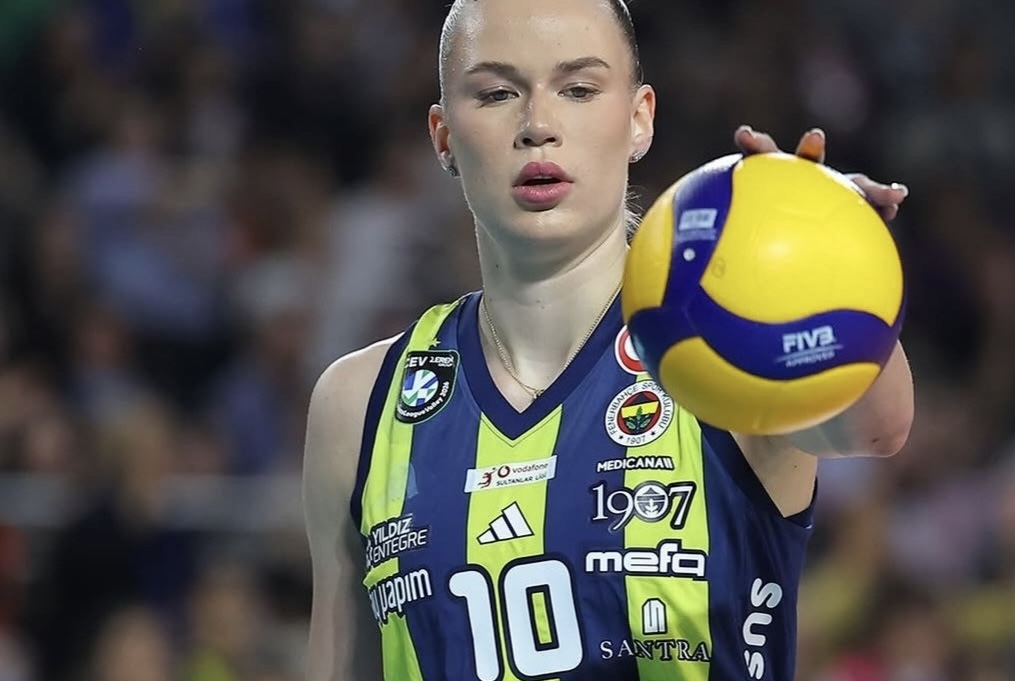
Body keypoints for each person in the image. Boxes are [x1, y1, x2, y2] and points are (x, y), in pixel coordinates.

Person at [302, 1, 914, 679]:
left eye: (578, 88)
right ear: (443, 137)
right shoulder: (360, 402)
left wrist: (833, 269)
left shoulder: (729, 349)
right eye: (497, 93)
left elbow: (878, 425)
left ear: (639, 118)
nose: (537, 125)